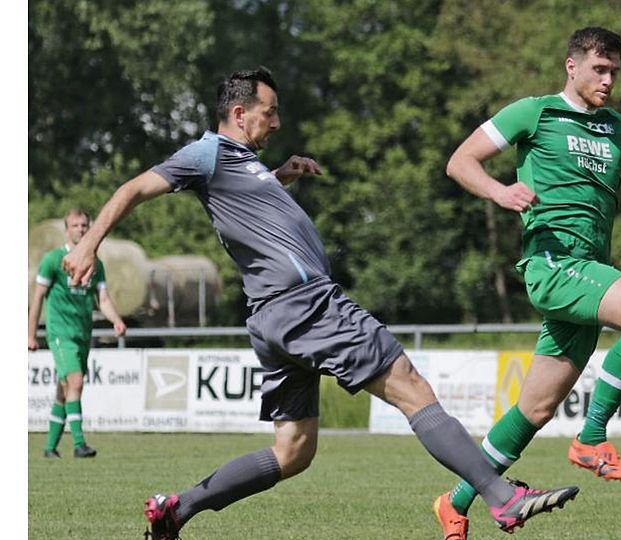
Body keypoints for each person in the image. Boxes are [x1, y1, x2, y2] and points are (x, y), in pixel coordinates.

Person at [61, 67, 578, 540]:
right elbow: (133, 188)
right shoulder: (207, 153)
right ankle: (502, 497)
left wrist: (279, 175)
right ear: (239, 115)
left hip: (273, 315)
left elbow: (243, 205)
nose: (277, 121)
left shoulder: (243, 164)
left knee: (293, 451)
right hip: (306, 305)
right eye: (269, 112)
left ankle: (178, 508)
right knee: (410, 386)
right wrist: (89, 244)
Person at [437, 27, 621, 539]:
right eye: (600, 69)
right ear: (571, 66)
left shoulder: (618, 129)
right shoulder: (533, 112)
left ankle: (456, 502)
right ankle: (591, 438)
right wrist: (499, 191)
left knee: (534, 409)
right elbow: (460, 162)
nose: (608, 80)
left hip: (585, 272)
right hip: (553, 264)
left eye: (615, 71)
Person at [28, 208, 127, 458]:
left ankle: (50, 448)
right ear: (66, 229)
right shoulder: (53, 260)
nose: (81, 230)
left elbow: (102, 299)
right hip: (60, 333)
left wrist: (116, 320)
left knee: (65, 389)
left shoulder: (96, 264)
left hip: (83, 333)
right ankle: (79, 444)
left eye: (84, 226)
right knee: (76, 382)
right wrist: (30, 334)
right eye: (75, 226)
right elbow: (38, 297)